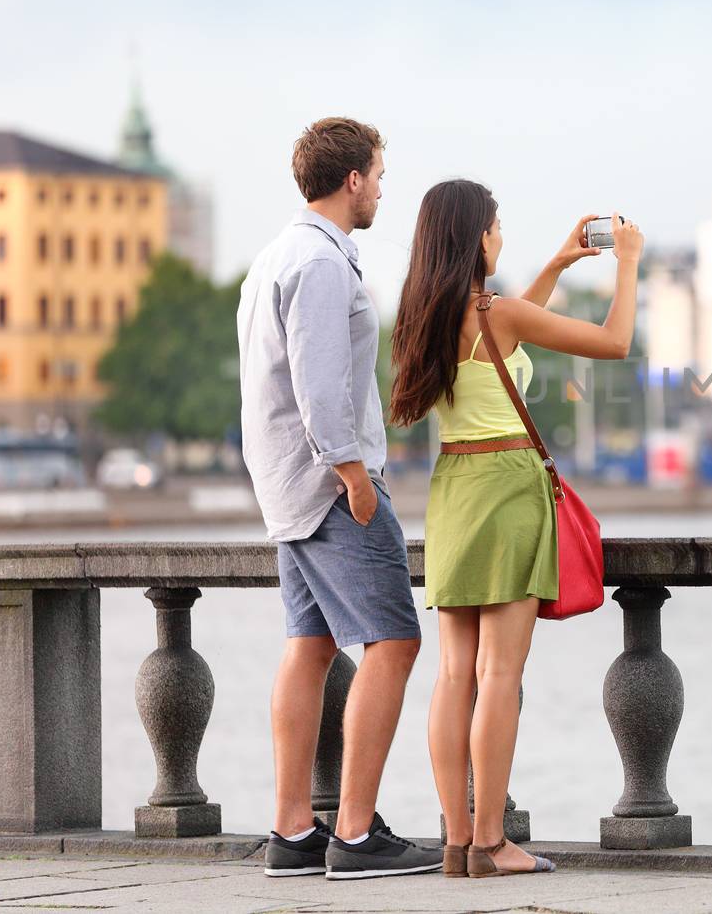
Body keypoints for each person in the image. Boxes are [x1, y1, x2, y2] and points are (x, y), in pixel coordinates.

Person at [387, 180, 642, 878]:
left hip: (454, 491)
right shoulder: (495, 313)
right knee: (500, 673)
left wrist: (558, 265)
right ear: (476, 238)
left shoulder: (423, 316)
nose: (500, 240)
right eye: (496, 230)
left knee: (454, 674)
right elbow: (614, 341)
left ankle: (457, 839)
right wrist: (627, 260)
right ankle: (494, 843)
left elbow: (506, 336)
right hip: (506, 487)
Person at [236, 117, 442, 881]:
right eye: (379, 175)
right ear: (351, 179)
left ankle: (293, 831)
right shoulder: (321, 264)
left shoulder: (272, 258)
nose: (383, 188)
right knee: (394, 640)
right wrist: (352, 473)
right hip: (330, 487)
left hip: (288, 486)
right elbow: (319, 382)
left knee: (311, 646)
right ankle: (353, 833)